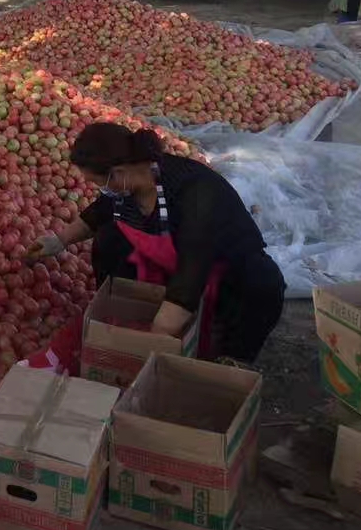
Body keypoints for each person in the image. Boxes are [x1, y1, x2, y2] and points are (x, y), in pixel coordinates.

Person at [27, 122, 286, 363]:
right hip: (176, 268)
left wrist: (143, 342)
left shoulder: (196, 195)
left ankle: (230, 356)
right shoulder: (131, 183)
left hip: (223, 274)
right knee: (109, 238)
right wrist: (58, 241)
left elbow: (190, 277)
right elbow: (100, 212)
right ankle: (128, 307)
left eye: (97, 182)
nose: (99, 189)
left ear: (117, 174)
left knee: (259, 285)